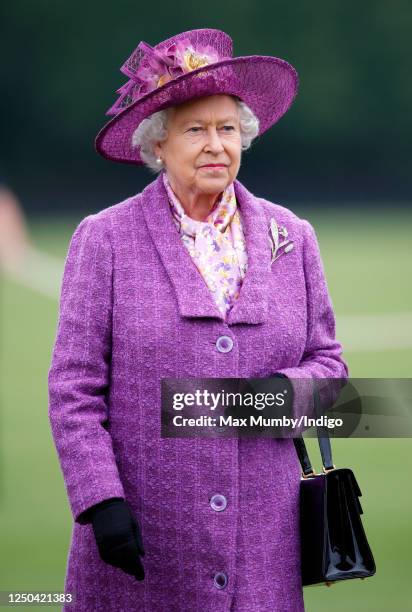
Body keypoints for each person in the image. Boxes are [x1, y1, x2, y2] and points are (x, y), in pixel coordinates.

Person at [48, 28, 348, 611]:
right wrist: (100, 500)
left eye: (227, 128)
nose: (215, 145)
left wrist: (277, 396)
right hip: (142, 534)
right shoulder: (103, 239)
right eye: (195, 129)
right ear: (157, 145)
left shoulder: (294, 237)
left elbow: (331, 369)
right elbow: (73, 389)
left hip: (267, 538)